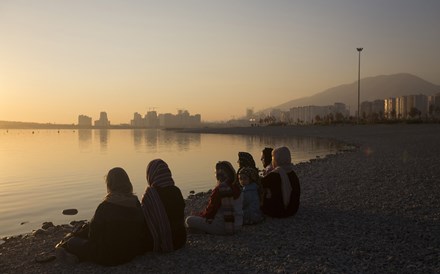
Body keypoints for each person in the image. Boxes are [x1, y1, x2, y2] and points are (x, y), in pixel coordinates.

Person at [55, 167, 149, 266]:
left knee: (72, 242)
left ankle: (75, 256)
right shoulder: (136, 203)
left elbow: (93, 235)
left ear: (110, 185)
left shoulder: (105, 206)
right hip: (131, 253)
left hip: (107, 257)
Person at [185, 161, 243, 235]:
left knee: (189, 220)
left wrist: (198, 215)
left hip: (224, 227)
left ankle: (204, 231)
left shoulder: (219, 190)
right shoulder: (238, 187)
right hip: (238, 225)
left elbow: (210, 212)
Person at [141, 159, 186, 252]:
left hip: (162, 242)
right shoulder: (176, 190)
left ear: (151, 174)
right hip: (181, 240)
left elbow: (145, 220)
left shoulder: (151, 195)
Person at [260, 147, 300, 218]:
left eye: (273, 158)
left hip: (278, 211)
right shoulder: (292, 172)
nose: (272, 161)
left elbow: (260, 184)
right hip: (293, 209)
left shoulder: (275, 174)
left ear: (277, 159)